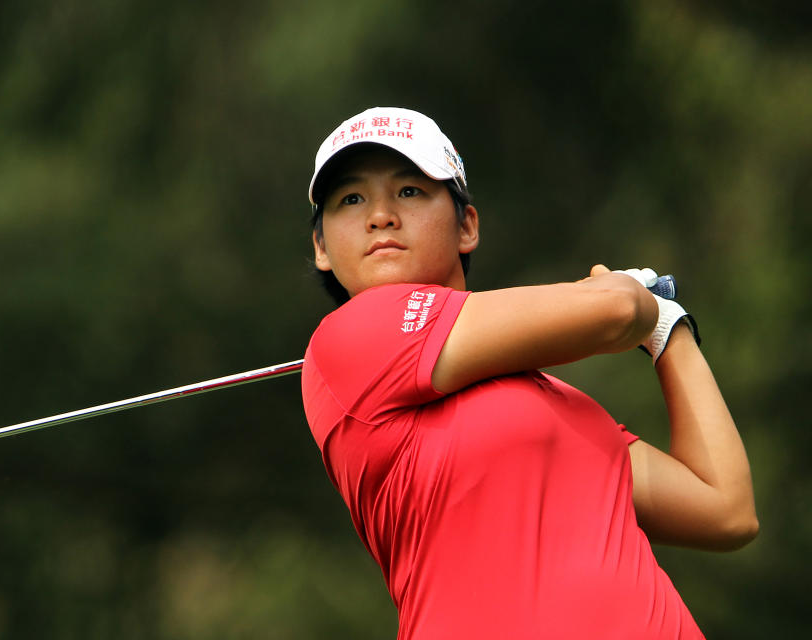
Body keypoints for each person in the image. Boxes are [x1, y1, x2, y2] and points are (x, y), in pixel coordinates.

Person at [300, 107, 758, 639]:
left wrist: (668, 331)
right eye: (350, 199)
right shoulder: (350, 336)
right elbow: (615, 311)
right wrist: (633, 298)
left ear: (467, 225)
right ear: (322, 247)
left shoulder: (560, 402)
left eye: (409, 191)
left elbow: (726, 510)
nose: (380, 215)